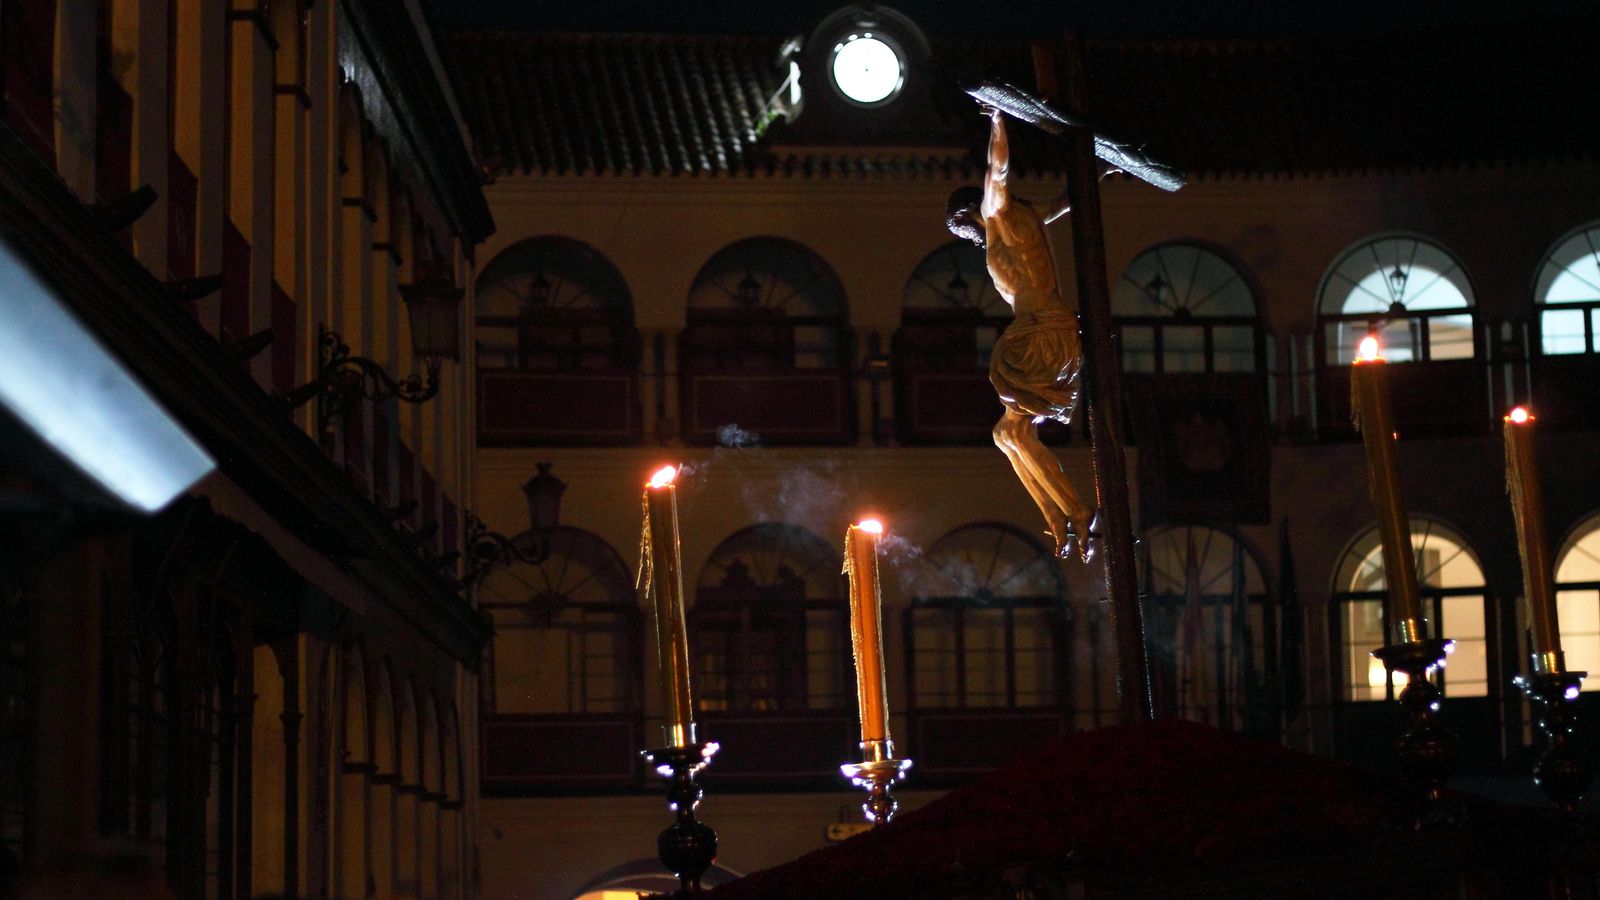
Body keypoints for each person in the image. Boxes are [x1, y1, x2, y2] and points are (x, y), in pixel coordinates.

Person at [946, 106, 1094, 561]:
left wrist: (997, 120)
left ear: (970, 214)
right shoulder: (1029, 219)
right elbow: (1067, 201)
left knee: (1014, 434)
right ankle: (1063, 517)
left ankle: (1079, 513)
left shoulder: (999, 212)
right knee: (1007, 434)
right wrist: (1098, 172)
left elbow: (999, 168)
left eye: (967, 230)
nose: (975, 239)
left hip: (1040, 333)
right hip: (1050, 332)